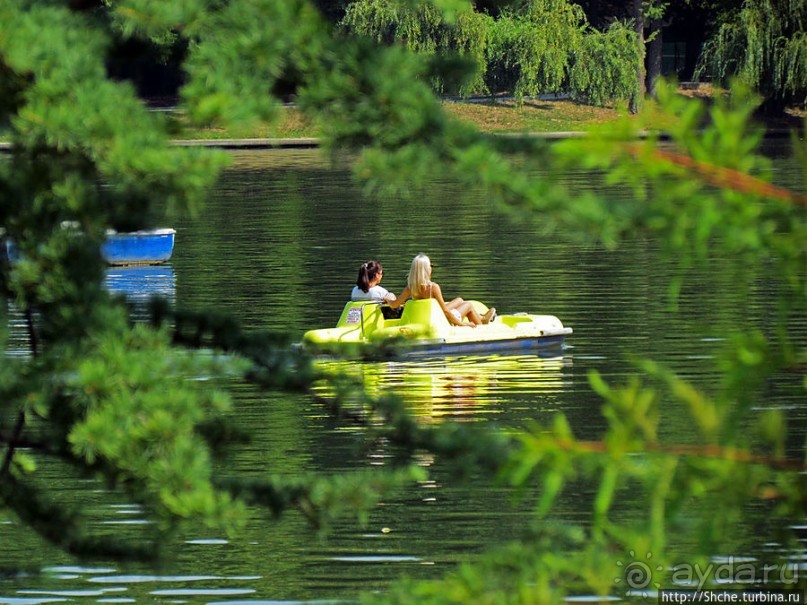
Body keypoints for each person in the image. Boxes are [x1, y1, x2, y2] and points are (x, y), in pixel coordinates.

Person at [390, 254, 495, 327]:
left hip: (428, 316)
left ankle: (481, 317)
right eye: (430, 266)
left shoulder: (410, 288)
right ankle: (482, 324)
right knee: (468, 305)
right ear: (426, 269)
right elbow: (445, 311)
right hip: (442, 320)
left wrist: (387, 299)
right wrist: (463, 324)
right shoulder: (433, 288)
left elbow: (394, 305)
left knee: (459, 300)